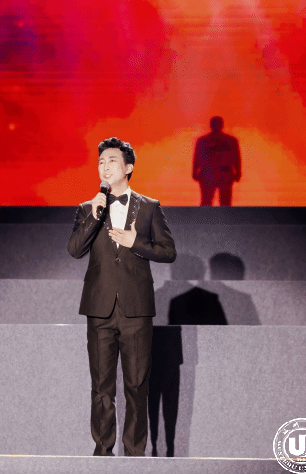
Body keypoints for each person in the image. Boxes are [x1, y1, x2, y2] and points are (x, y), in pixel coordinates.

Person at [68, 137, 177, 457]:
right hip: (99, 309)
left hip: (136, 310)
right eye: (101, 162)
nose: (104, 167)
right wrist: (94, 215)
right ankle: (103, 452)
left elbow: (169, 252)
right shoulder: (87, 208)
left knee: (137, 386)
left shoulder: (150, 207)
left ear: (128, 167)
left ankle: (134, 455)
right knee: (101, 388)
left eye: (112, 161)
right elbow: (75, 250)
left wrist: (135, 243)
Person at [192, 116, 241, 206]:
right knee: (212, 202)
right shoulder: (230, 140)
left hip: (218, 174)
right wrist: (238, 172)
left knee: (217, 203)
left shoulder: (203, 141)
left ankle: (210, 215)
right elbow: (197, 157)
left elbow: (236, 157)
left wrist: (194, 172)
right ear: (222, 125)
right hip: (214, 174)